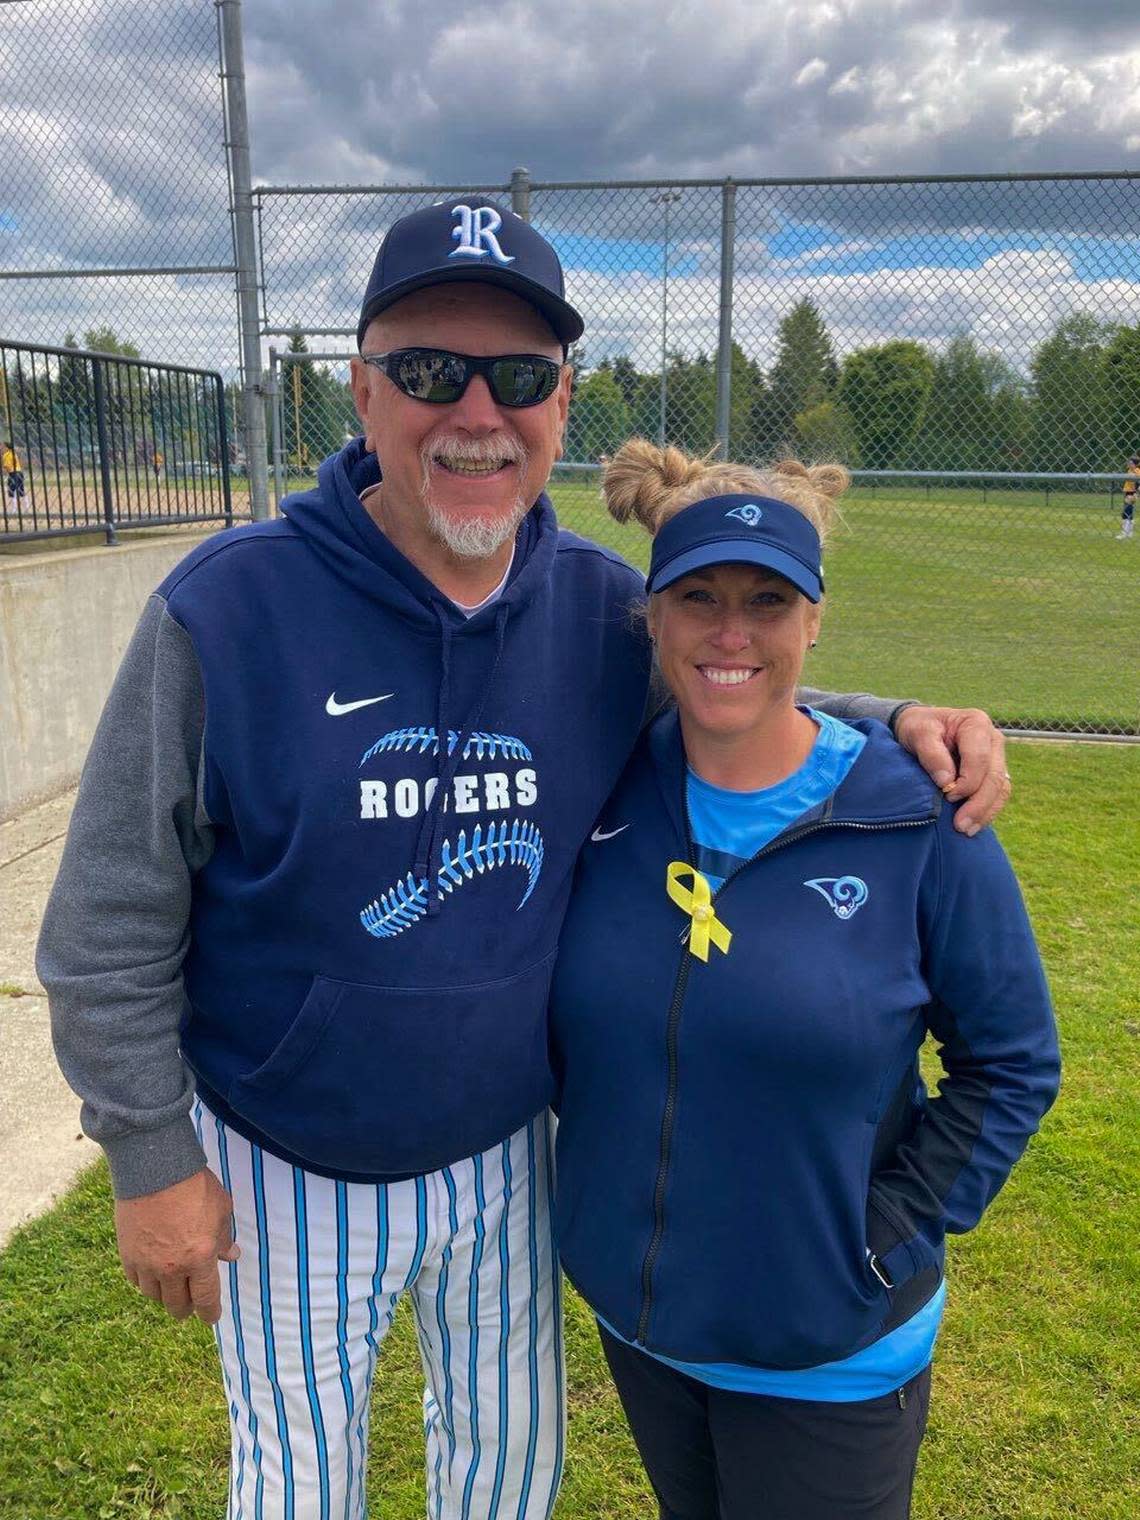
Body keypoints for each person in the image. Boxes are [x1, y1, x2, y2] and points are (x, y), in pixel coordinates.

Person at [38, 200, 1012, 1520]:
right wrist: (150, 1158)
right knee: (298, 1486)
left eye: (521, 375)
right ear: (363, 390)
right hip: (286, 1155)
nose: (476, 412)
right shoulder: (230, 605)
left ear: (564, 399)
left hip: (510, 1158)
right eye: (433, 372)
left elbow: (734, 680)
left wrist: (895, 720)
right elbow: (106, 918)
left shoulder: (600, 614)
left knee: (507, 1477)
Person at [549, 441, 1061, 1520]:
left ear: (814, 617)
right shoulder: (611, 781)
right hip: (646, 1324)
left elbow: (1012, 1062)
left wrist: (881, 1237)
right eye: (700, 597)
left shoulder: (919, 814)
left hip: (829, 1342)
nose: (731, 632)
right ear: (654, 615)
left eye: (767, 600)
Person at [1116, 455, 1139, 539]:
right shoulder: (1130, 470)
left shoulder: (1137, 471)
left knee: (1126, 513)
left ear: (1135, 464)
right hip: (1127, 492)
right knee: (1129, 513)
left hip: (1132, 493)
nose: (1129, 463)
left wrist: (1135, 494)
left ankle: (1124, 533)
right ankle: (1129, 533)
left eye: (1131, 462)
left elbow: (1138, 484)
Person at [3, 438, 25, 506]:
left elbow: (7, 466)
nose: (1, 448)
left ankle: (14, 509)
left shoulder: (6, 455)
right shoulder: (13, 453)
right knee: (21, 491)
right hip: (20, 473)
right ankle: (27, 507)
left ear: (7, 447)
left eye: (3, 446)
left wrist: (4, 469)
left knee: (12, 491)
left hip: (13, 474)